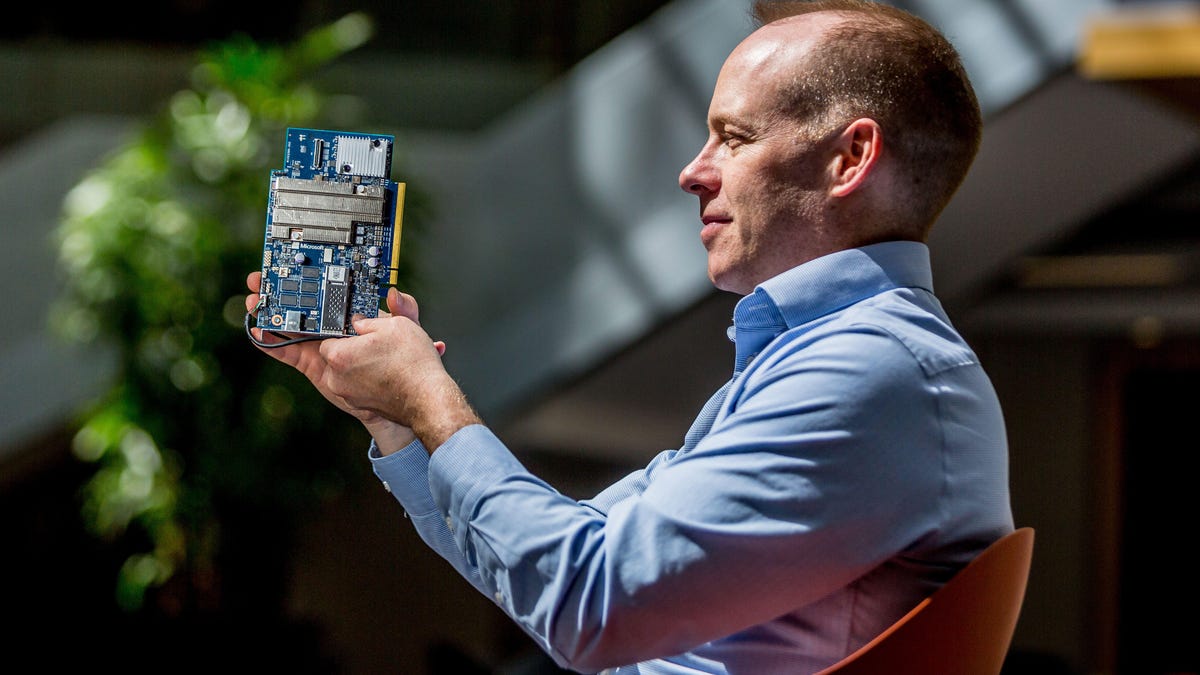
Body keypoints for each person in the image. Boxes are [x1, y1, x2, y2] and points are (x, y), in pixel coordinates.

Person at [245, 1, 1013, 672]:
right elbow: (553, 562)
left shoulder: (871, 370)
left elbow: (588, 605)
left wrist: (432, 400)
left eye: (733, 137)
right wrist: (395, 415)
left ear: (851, 158)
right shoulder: (831, 359)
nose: (692, 171)